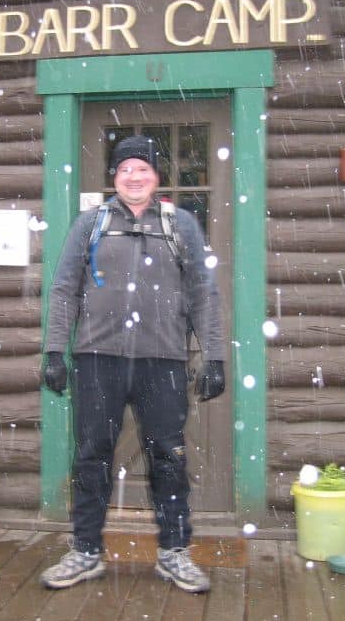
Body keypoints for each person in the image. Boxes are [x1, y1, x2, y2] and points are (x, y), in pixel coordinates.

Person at [40, 134, 225, 593]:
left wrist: (215, 356)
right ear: (114, 177)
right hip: (97, 359)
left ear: (156, 177)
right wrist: (54, 352)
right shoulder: (91, 223)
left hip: (162, 360)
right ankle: (85, 550)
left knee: (169, 457)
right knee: (91, 456)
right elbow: (64, 289)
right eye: (126, 170)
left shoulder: (181, 223)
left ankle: (174, 552)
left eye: (142, 169)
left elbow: (204, 293)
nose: (134, 177)